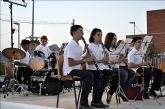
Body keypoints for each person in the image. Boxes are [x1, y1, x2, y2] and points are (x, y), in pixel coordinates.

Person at [63, 25, 95, 109]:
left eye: (82, 31)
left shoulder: (79, 46)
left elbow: (80, 59)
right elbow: (70, 63)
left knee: (92, 74)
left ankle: (87, 102)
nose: (83, 33)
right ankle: (83, 104)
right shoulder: (70, 46)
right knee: (89, 75)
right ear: (74, 33)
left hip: (76, 69)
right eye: (80, 31)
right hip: (69, 70)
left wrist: (88, 53)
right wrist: (85, 60)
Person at [104, 32, 135, 103]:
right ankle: (117, 91)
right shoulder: (105, 49)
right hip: (109, 67)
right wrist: (119, 59)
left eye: (116, 39)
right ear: (109, 39)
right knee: (124, 74)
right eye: (113, 39)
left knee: (132, 73)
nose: (115, 40)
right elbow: (108, 61)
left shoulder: (117, 48)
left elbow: (120, 61)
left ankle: (122, 91)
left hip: (117, 67)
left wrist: (122, 58)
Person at [86, 28, 112, 107]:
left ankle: (98, 100)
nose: (100, 37)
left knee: (109, 73)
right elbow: (89, 62)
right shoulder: (90, 46)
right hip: (92, 69)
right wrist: (101, 61)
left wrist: (107, 56)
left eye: (101, 35)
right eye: (98, 35)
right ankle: (95, 101)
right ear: (93, 36)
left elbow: (107, 58)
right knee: (99, 77)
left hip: (102, 68)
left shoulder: (101, 46)